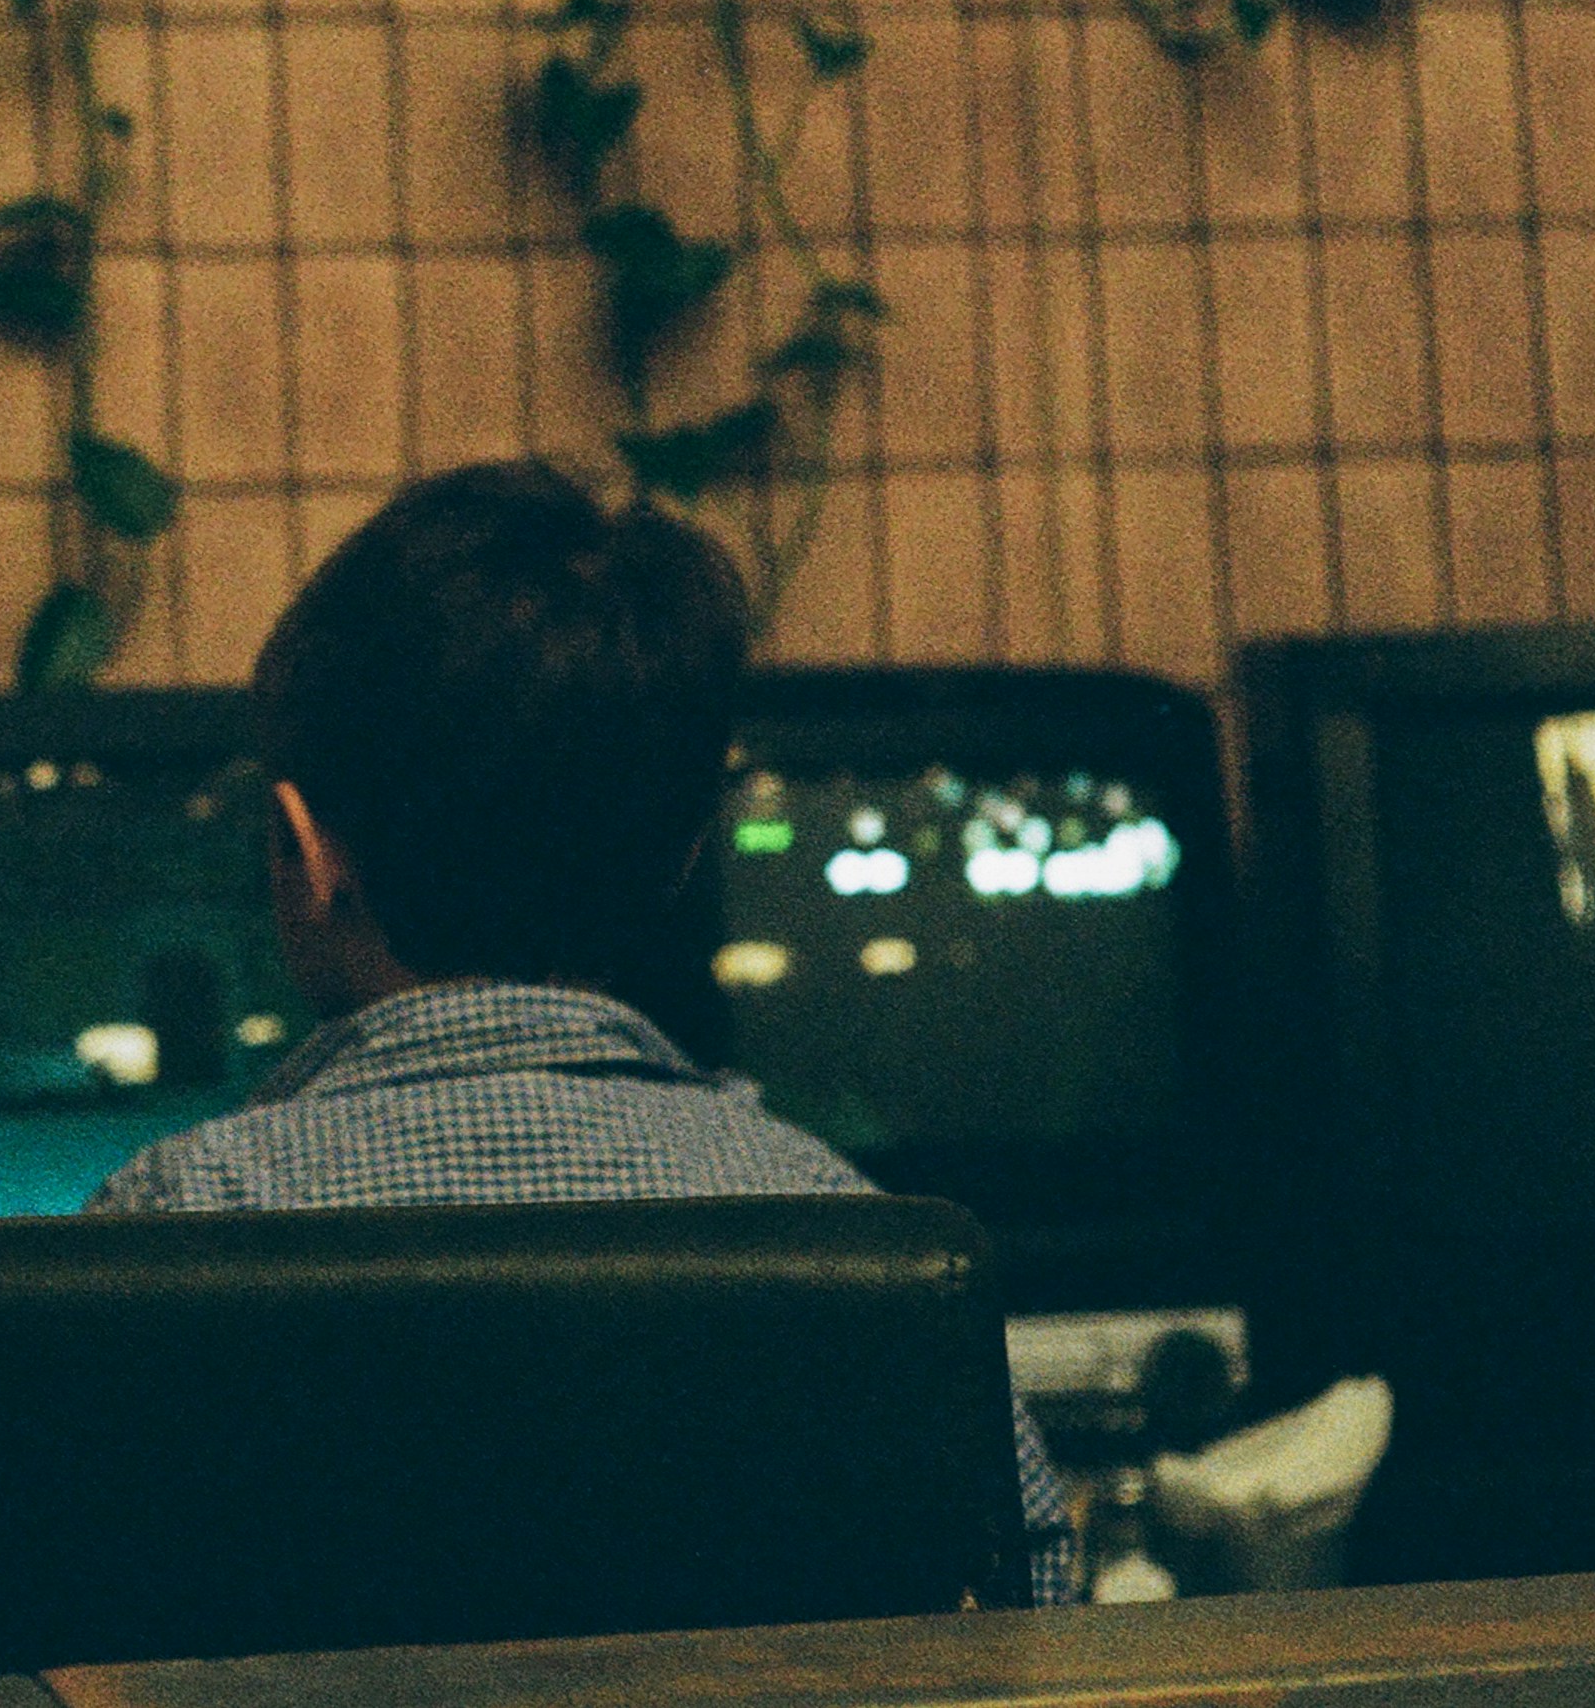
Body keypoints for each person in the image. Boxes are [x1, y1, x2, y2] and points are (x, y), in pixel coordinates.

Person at [87, 460, 1084, 1605]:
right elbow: (1029, 1597)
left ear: (305, 850)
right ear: (681, 856)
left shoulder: (168, 1230)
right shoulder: (858, 1243)